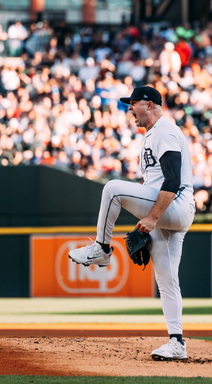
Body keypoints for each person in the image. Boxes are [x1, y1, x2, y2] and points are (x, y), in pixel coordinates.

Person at [67, 85, 196, 361]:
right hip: (167, 209)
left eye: (133, 102)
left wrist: (152, 216)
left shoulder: (165, 130)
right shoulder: (151, 135)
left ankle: (102, 249)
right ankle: (177, 342)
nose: (129, 108)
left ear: (149, 104)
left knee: (112, 189)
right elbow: (155, 183)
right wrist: (152, 217)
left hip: (176, 204)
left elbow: (172, 180)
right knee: (167, 279)